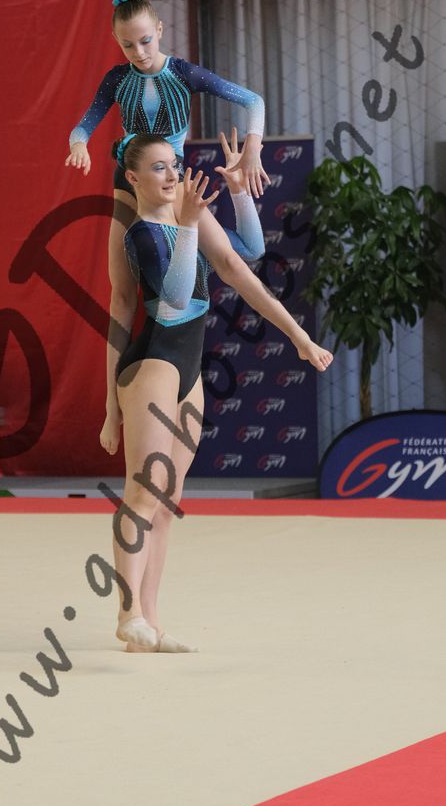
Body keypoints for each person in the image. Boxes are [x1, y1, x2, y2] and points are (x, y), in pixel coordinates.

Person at [107, 133, 333, 653]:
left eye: (175, 164)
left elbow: (242, 259)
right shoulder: (141, 234)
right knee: (143, 492)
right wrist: (188, 224)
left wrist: (299, 337)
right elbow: (174, 296)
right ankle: (127, 613)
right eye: (159, 168)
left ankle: (150, 624)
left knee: (168, 503)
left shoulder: (187, 218)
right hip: (153, 364)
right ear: (134, 178)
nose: (172, 175)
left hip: (188, 370)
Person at [64, 0, 271, 454]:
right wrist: (79, 143)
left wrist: (253, 148)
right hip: (129, 185)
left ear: (159, 30)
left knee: (234, 260)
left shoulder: (184, 73)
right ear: (117, 43)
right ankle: (111, 407)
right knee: (121, 297)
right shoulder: (117, 79)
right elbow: (85, 123)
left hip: (170, 183)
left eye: (145, 41)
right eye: (127, 45)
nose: (138, 53)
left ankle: (294, 338)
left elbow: (253, 100)